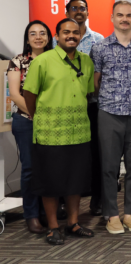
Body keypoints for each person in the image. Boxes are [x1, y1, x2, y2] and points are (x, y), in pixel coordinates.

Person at [23, 18, 96, 245]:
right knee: (50, 183)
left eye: (75, 32)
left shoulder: (87, 62)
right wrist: (41, 118)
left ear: (80, 36)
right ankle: (53, 227)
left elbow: (87, 94)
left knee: (75, 182)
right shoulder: (42, 62)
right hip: (50, 133)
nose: (71, 36)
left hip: (80, 132)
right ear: (57, 36)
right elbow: (29, 95)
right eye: (66, 32)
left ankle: (73, 223)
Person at [89, 1, 131, 234]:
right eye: (120, 15)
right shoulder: (100, 48)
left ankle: (130, 213)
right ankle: (112, 215)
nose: (125, 19)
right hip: (109, 113)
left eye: (129, 15)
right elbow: (95, 82)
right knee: (109, 168)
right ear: (112, 17)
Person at [53, 0, 106, 217]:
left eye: (82, 8)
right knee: (66, 156)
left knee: (96, 154)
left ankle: (97, 198)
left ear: (87, 12)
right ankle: (64, 201)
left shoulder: (99, 39)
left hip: (93, 106)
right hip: (65, 106)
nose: (79, 11)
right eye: (74, 8)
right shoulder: (58, 39)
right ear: (67, 12)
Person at [7, 20, 53, 234]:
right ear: (27, 38)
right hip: (26, 121)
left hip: (53, 121)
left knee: (49, 168)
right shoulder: (18, 61)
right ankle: (31, 215)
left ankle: (48, 211)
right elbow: (15, 94)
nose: (38, 37)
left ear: (49, 37)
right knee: (29, 170)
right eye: (33, 33)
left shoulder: (56, 59)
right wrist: (37, 115)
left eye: (42, 33)